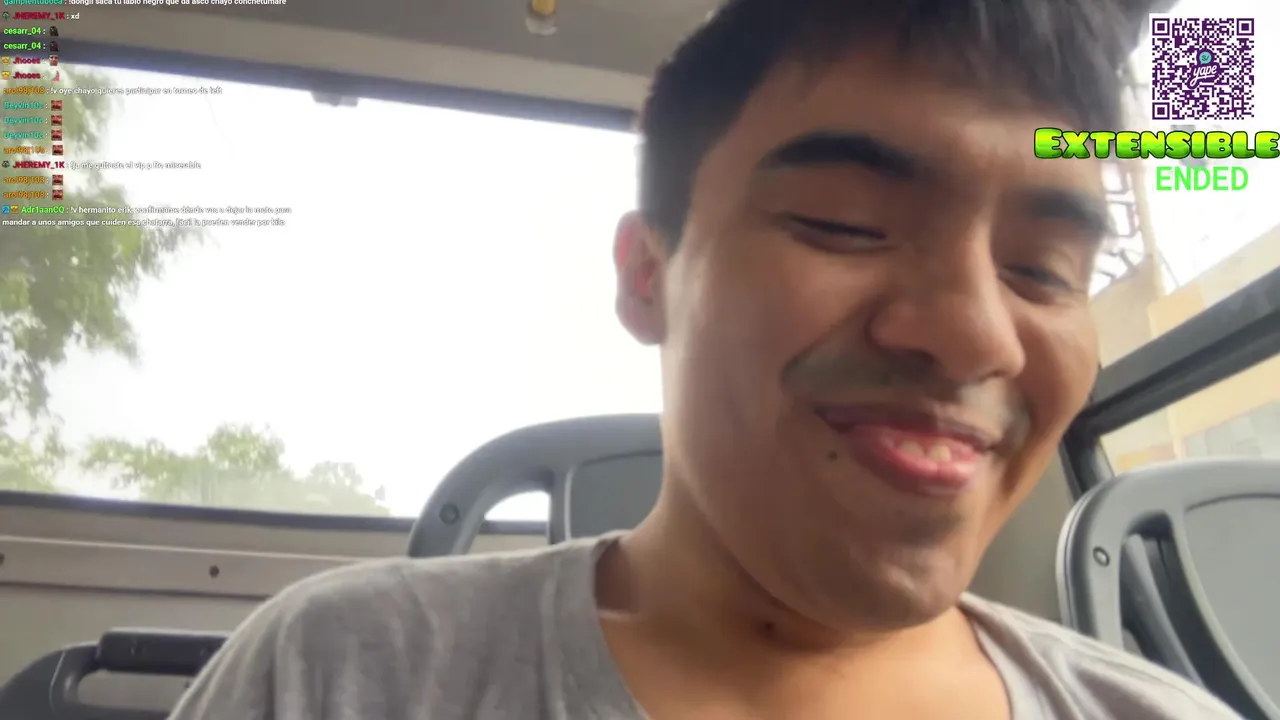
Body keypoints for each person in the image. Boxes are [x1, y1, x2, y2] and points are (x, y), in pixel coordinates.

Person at [169, 1, 1243, 718]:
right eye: (844, 223)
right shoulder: (340, 675)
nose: (976, 334)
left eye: (1042, 272)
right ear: (648, 277)